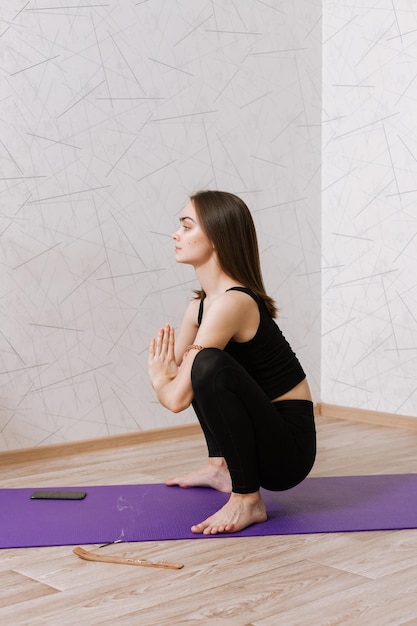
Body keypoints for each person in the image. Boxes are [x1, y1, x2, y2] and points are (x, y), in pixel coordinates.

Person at [148, 190, 316, 535]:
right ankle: (220, 465)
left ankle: (248, 499)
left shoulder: (233, 302)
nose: (175, 234)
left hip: (288, 451)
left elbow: (176, 396)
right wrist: (172, 378)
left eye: (186, 225)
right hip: (261, 437)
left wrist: (160, 381)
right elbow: (184, 383)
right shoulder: (199, 306)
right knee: (202, 364)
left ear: (217, 237)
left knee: (206, 363)